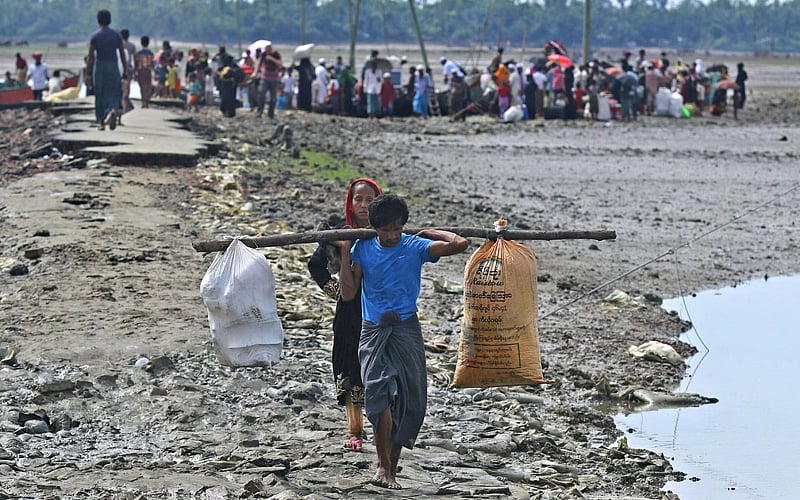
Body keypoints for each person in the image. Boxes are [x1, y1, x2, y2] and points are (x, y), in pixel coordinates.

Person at [337, 194, 468, 490]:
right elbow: (347, 294)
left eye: (398, 228)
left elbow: (459, 244)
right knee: (379, 397)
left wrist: (433, 232)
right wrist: (346, 251)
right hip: (372, 331)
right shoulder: (364, 248)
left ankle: (392, 467)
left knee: (405, 400)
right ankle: (382, 466)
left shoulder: (414, 246)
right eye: (387, 230)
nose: (393, 235)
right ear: (375, 227)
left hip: (406, 330)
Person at [308, 178, 382, 454]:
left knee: (380, 366)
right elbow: (315, 264)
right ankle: (355, 430)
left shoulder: (387, 232)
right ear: (350, 203)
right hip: (350, 311)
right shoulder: (341, 233)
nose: (364, 206)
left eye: (370, 200)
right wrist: (335, 291)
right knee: (350, 364)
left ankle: (381, 428)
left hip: (380, 307)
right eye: (358, 199)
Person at [86, 9, 127, 130]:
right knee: (115, 90)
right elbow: (122, 54)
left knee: (100, 93)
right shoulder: (116, 35)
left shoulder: (95, 36)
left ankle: (101, 122)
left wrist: (88, 73)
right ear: (110, 20)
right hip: (113, 65)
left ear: (98, 21)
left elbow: (90, 56)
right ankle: (113, 110)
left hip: (100, 66)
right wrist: (125, 69)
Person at [254, 42, 282, 119]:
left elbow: (280, 63)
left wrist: (272, 59)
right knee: (261, 94)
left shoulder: (276, 54)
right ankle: (259, 112)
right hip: (265, 77)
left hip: (274, 78)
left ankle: (271, 113)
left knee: (273, 97)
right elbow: (259, 63)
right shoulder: (263, 54)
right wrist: (255, 72)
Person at [135, 36, 154, 108]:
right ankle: (146, 101)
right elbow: (152, 64)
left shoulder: (138, 53)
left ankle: (143, 102)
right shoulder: (151, 53)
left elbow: (136, 64)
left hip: (141, 71)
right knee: (148, 86)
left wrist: (135, 72)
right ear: (148, 43)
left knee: (142, 87)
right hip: (148, 71)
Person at [120, 29, 135, 114]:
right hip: (128, 68)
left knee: (121, 86)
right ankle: (126, 99)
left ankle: (123, 100)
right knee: (127, 86)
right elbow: (134, 58)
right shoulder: (131, 46)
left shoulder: (118, 44)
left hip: (120, 68)